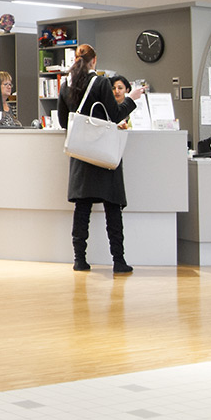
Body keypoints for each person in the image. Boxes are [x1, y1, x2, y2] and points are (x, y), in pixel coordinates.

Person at [58, 44, 144, 274]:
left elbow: (63, 121)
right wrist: (131, 98)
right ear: (94, 61)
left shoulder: (66, 84)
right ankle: (118, 261)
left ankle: (80, 260)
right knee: (112, 208)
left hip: (81, 154)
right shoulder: (101, 82)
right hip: (104, 152)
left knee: (82, 209)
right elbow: (115, 115)